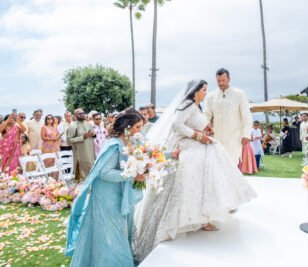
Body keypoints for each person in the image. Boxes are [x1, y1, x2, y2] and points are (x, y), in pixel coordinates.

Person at [135, 80, 257, 263]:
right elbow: (177, 125)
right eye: (204, 90)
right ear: (195, 91)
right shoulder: (188, 105)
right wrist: (198, 135)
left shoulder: (197, 107)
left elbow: (191, 123)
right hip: (186, 146)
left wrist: (204, 130)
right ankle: (189, 219)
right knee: (189, 180)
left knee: (205, 178)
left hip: (197, 145)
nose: (205, 93)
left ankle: (203, 217)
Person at [65, 112, 145, 266]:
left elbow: (149, 157)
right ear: (126, 127)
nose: (140, 130)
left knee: (115, 230)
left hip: (118, 191)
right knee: (111, 231)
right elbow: (105, 173)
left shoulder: (129, 143)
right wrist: (132, 175)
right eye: (137, 127)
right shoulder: (114, 145)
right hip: (106, 194)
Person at [204, 68, 253, 165]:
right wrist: (206, 125)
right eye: (218, 81)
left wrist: (246, 134)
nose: (221, 83)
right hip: (216, 138)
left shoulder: (239, 94)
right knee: (217, 166)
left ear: (229, 79)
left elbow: (246, 116)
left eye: (223, 80)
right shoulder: (211, 96)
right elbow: (206, 114)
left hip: (234, 138)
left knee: (231, 166)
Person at [67, 109, 96, 180]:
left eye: (83, 113)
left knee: (92, 168)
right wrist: (82, 137)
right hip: (80, 154)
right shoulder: (73, 126)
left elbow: (93, 134)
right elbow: (69, 140)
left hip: (90, 152)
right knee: (82, 175)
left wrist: (93, 134)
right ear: (75, 116)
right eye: (80, 113)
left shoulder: (88, 124)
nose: (82, 114)